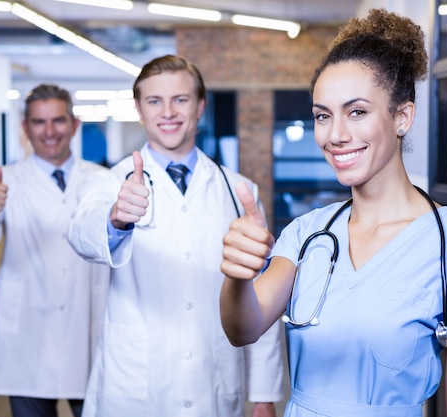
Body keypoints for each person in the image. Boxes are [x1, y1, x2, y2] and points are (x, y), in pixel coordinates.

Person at [219, 8, 447, 417]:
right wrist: (236, 277)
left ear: (402, 117)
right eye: (323, 116)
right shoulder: (307, 234)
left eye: (356, 112)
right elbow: (242, 329)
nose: (336, 135)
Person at [67, 54, 284, 417]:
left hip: (212, 378)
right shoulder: (112, 181)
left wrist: (263, 394)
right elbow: (80, 232)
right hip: (134, 384)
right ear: (139, 108)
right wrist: (116, 219)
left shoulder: (238, 189)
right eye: (155, 101)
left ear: (200, 106)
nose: (167, 111)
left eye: (180, 99)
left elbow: (259, 293)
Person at [0, 84, 110, 417]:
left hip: (88, 329)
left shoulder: (103, 180)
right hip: (28, 332)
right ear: (25, 128)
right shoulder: (5, 179)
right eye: (39, 122)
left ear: (75, 124)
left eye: (58, 121)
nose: (50, 131)